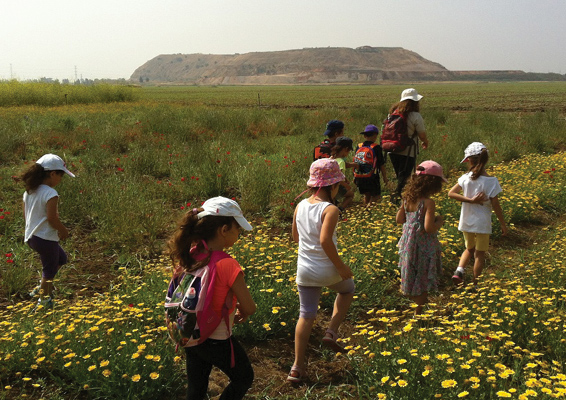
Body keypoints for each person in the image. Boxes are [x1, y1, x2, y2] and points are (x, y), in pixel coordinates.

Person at [167, 196, 256, 400]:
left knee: (196, 387)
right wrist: (243, 310)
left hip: (190, 333)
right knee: (244, 377)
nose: (239, 234)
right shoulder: (228, 264)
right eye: (238, 229)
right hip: (217, 338)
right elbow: (250, 307)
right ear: (224, 229)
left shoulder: (192, 254)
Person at [288, 158, 355, 383]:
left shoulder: (300, 206)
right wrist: (341, 267)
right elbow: (326, 241)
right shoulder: (331, 209)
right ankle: (331, 331)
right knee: (347, 289)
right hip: (327, 268)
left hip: (305, 270)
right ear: (333, 186)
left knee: (306, 315)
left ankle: (297, 367)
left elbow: (295, 237)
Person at [448, 142, 508, 287]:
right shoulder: (491, 181)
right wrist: (502, 223)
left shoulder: (465, 178)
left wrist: (469, 200)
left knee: (469, 248)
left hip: (466, 220)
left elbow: (451, 193)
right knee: (479, 254)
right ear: (485, 159)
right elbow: (496, 205)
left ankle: (459, 270)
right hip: (482, 223)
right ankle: (476, 284)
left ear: (469, 160)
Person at [22, 154, 75, 310]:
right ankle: (43, 302)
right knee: (50, 269)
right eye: (61, 176)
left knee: (61, 259)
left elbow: (26, 215)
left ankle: (42, 287)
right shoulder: (51, 193)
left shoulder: (30, 191)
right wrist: (63, 231)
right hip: (45, 238)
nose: (60, 180)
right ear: (53, 174)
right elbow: (52, 218)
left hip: (32, 237)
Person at [396, 160, 446, 315]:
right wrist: (439, 221)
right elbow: (428, 228)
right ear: (432, 184)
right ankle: (419, 312)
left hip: (408, 243)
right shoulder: (428, 203)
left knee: (411, 270)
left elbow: (399, 219)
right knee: (423, 275)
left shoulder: (407, 199)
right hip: (423, 245)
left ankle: (415, 304)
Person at [387, 88, 430, 202]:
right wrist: (425, 142)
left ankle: (399, 198)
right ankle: (398, 199)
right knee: (405, 177)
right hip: (407, 150)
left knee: (400, 175)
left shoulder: (392, 113)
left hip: (392, 148)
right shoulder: (415, 116)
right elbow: (422, 134)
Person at [353, 124, 390, 207]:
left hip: (359, 176)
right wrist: (385, 178)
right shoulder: (376, 147)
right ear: (375, 135)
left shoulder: (359, 146)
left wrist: (354, 176)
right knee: (376, 196)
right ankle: (368, 209)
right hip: (372, 176)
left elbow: (356, 162)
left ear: (365, 135)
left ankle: (365, 210)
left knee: (366, 195)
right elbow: (381, 164)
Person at [330, 136, 355, 210]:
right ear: (346, 149)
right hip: (337, 185)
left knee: (332, 199)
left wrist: (346, 179)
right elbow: (338, 178)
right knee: (350, 195)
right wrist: (346, 186)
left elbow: (339, 174)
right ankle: (341, 209)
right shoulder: (341, 161)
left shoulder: (331, 159)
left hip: (329, 185)